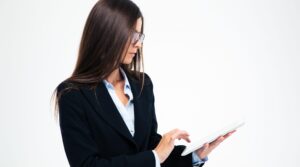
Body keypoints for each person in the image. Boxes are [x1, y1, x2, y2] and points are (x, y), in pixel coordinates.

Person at [52, 0, 235, 167]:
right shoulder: (72, 94)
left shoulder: (142, 84)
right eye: (132, 35)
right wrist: (155, 156)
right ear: (107, 34)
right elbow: (87, 164)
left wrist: (194, 155)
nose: (138, 44)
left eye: (140, 36)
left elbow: (149, 148)